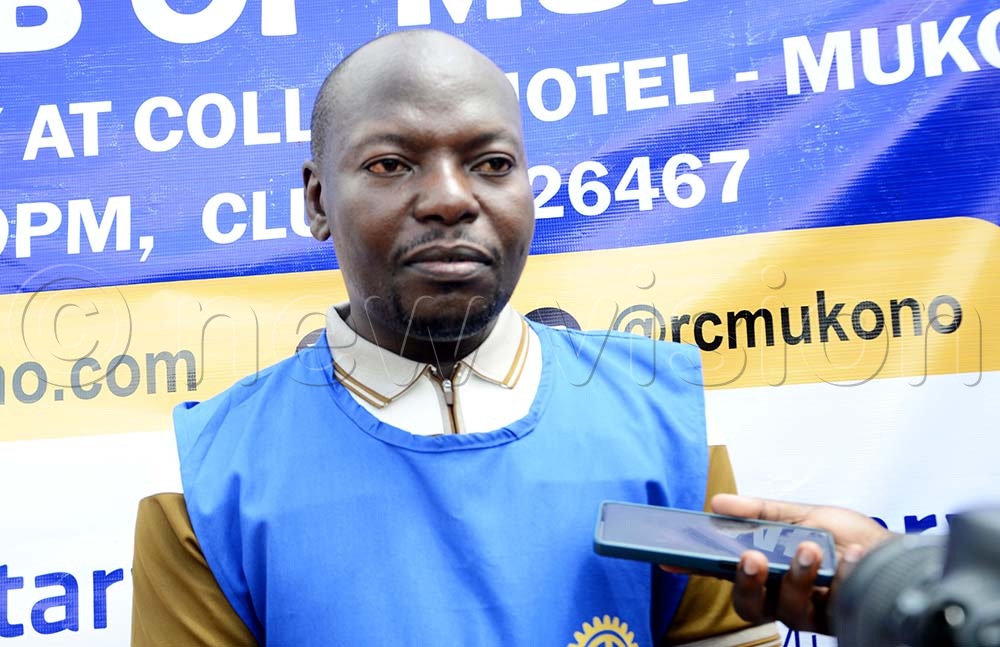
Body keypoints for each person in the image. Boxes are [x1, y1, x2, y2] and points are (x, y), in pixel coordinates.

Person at [130, 29, 890, 646]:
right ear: (318, 199)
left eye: (491, 163)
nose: (452, 198)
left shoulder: (664, 421)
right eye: (393, 163)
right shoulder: (204, 481)